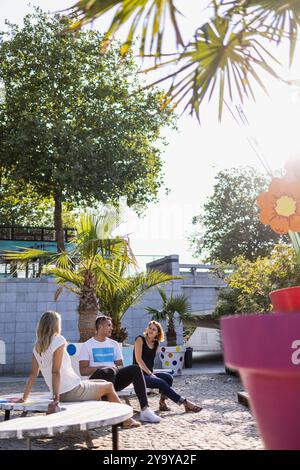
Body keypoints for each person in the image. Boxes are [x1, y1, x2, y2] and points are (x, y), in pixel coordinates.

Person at [18, 310, 140, 428]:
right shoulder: (58, 340)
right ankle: (125, 421)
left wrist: (24, 397)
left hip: (66, 390)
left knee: (103, 383)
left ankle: (110, 416)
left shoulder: (37, 346)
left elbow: (33, 374)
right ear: (55, 325)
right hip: (71, 390)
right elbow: (55, 372)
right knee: (108, 387)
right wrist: (56, 398)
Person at [79, 315, 160, 424]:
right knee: (109, 370)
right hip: (96, 383)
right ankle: (112, 411)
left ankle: (145, 410)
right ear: (100, 327)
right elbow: (83, 371)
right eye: (109, 325)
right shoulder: (87, 345)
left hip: (113, 379)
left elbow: (120, 366)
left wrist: (113, 369)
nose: (111, 328)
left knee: (135, 368)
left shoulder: (114, 344)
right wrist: (102, 368)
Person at [133, 320, 202, 413]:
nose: (151, 330)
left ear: (158, 333)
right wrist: (150, 374)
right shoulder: (140, 339)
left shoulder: (156, 343)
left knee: (168, 377)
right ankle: (185, 402)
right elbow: (138, 360)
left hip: (149, 373)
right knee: (161, 382)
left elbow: (150, 361)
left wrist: (151, 373)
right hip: (138, 375)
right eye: (150, 328)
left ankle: (162, 403)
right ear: (147, 329)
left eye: (154, 329)